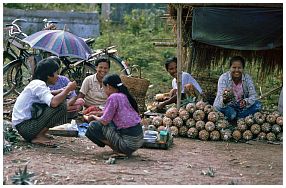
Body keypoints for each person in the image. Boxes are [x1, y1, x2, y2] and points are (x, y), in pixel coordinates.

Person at [12, 57, 77, 147]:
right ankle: (38, 136)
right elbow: (54, 103)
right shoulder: (39, 84)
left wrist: (64, 90)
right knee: (61, 105)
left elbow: (48, 93)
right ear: (48, 75)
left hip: (25, 126)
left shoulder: (37, 83)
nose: (58, 76)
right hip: (26, 128)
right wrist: (67, 89)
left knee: (60, 102)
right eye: (56, 73)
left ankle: (40, 134)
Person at [85, 74, 144, 157]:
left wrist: (93, 117)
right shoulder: (124, 95)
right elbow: (116, 112)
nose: (104, 90)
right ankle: (121, 148)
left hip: (128, 144)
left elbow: (104, 121)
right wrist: (97, 113)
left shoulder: (113, 97)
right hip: (137, 141)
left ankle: (118, 149)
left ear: (108, 86)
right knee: (108, 121)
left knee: (93, 126)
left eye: (104, 88)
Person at [213, 56, 262, 121]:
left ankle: (238, 116)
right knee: (231, 113)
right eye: (234, 67)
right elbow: (220, 98)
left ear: (243, 68)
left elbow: (253, 96)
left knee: (258, 105)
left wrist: (245, 101)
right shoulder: (224, 78)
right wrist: (225, 100)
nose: (237, 70)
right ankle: (239, 116)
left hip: (240, 106)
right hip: (226, 106)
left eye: (239, 68)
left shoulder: (247, 78)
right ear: (230, 68)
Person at [77, 57, 110, 122]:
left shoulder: (110, 81)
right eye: (100, 67)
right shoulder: (88, 80)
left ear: (108, 69)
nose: (103, 70)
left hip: (104, 111)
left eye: (105, 68)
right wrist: (93, 107)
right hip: (89, 109)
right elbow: (80, 98)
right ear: (96, 68)